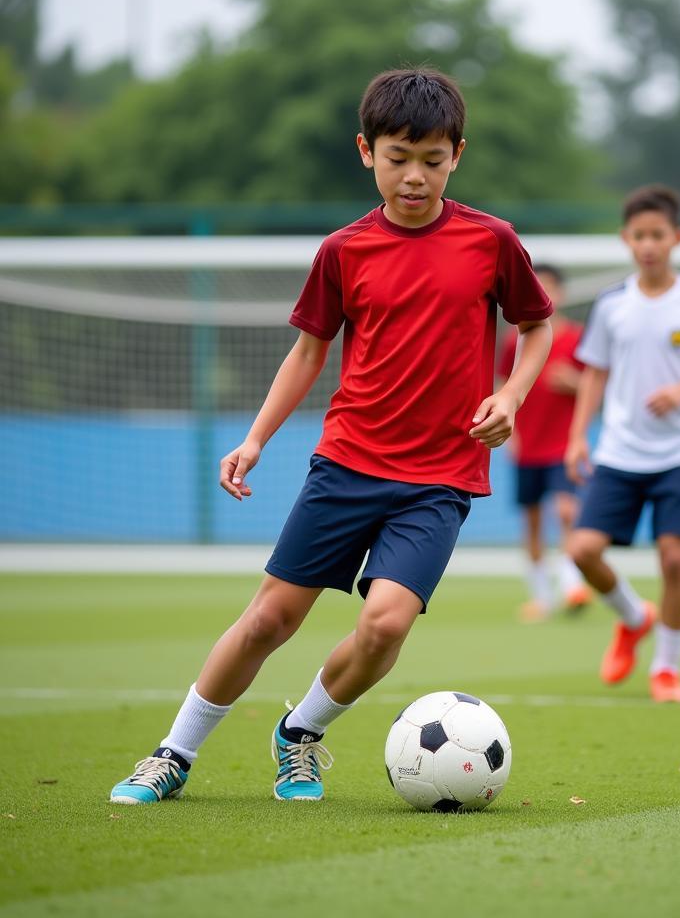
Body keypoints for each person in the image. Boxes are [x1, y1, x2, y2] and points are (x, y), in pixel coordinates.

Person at [109, 68, 553, 804]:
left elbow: (536, 327)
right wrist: (255, 440)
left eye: (432, 161)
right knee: (268, 620)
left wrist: (510, 392)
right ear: (365, 151)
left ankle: (300, 734)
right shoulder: (343, 250)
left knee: (384, 626)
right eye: (397, 158)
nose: (414, 177)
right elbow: (308, 352)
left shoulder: (491, 241)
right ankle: (171, 755)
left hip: (441, 478)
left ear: (457, 156)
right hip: (347, 464)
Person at [565, 185, 680, 703]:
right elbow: (593, 374)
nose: (648, 245)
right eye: (639, 236)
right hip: (619, 452)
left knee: (675, 560)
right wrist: (577, 437)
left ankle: (666, 668)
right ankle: (635, 618)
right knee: (581, 550)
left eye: (658, 235)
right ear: (626, 239)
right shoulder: (613, 304)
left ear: (677, 238)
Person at [497, 263, 591, 621]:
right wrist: (512, 435)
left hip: (563, 445)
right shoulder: (515, 341)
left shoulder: (578, 338)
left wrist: (576, 383)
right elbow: (503, 385)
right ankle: (541, 597)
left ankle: (573, 587)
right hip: (528, 446)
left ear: (562, 293)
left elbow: (597, 388)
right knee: (532, 521)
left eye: (550, 286)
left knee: (567, 511)